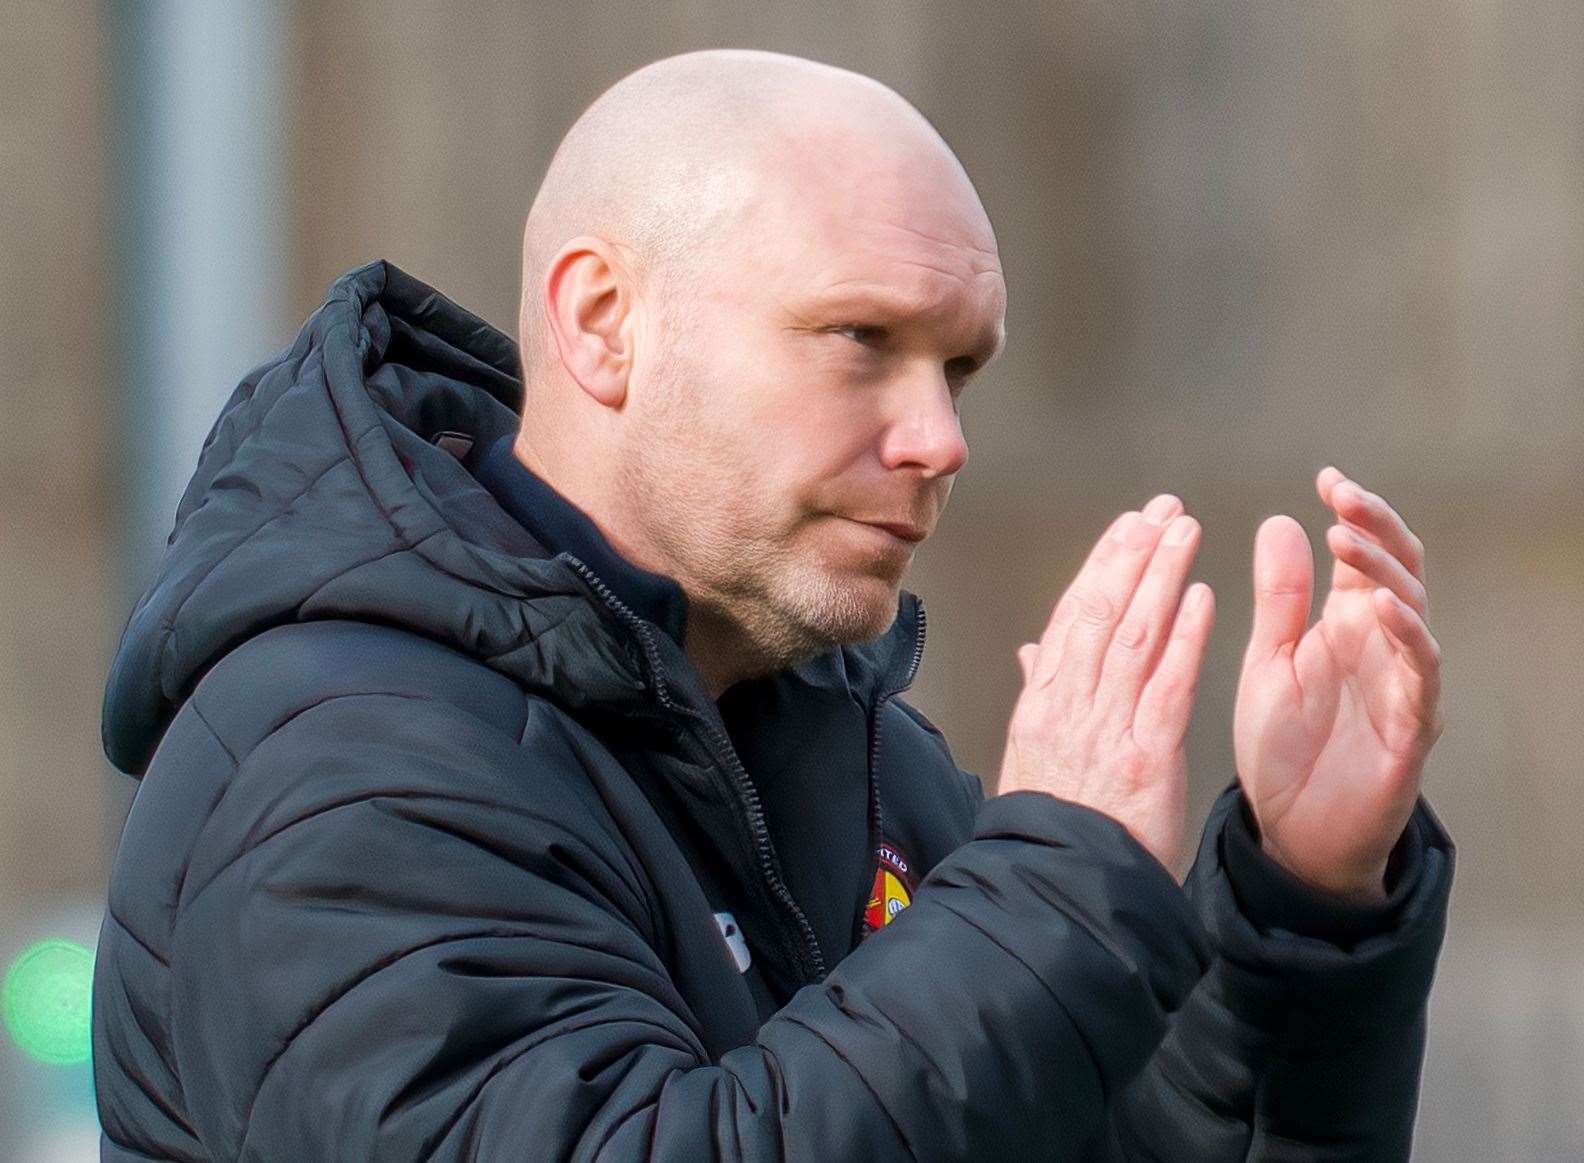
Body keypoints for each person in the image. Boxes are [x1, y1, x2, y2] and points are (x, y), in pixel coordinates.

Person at [91, 48, 1453, 1161]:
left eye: (960, 369)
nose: (939, 438)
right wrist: (1050, 892)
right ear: (604, 321)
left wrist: (1303, 904)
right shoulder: (342, 768)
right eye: (863, 341)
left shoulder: (841, 744)